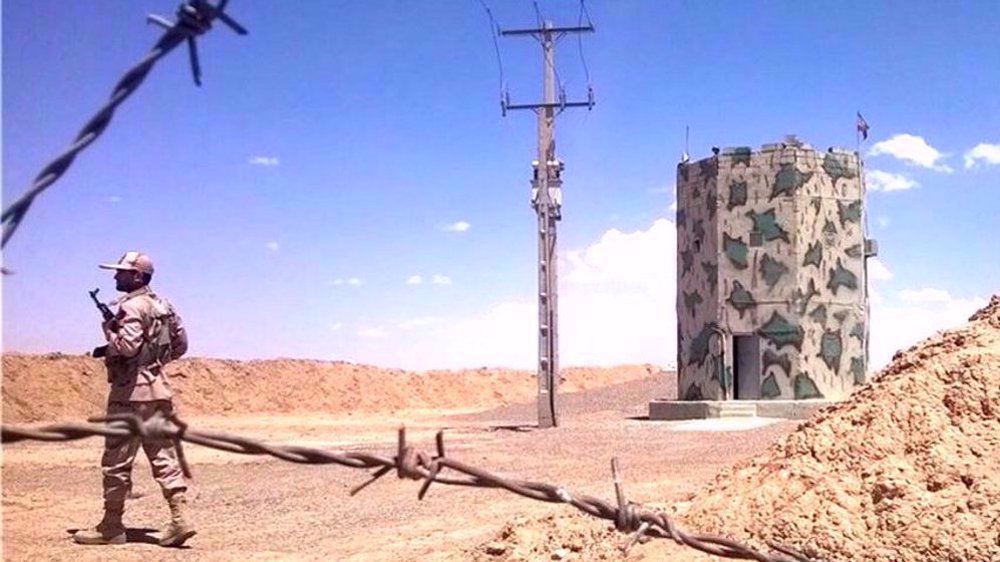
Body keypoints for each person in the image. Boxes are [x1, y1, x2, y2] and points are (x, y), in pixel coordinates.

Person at [73, 251, 195, 547]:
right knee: (163, 457)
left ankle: (111, 526)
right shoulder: (163, 305)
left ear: (137, 276)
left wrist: (109, 331)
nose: (116, 277)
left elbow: (126, 347)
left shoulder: (131, 307)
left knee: (116, 462)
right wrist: (153, 361)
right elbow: (181, 345)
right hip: (158, 392)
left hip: (129, 395)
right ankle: (180, 520)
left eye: (122, 273)